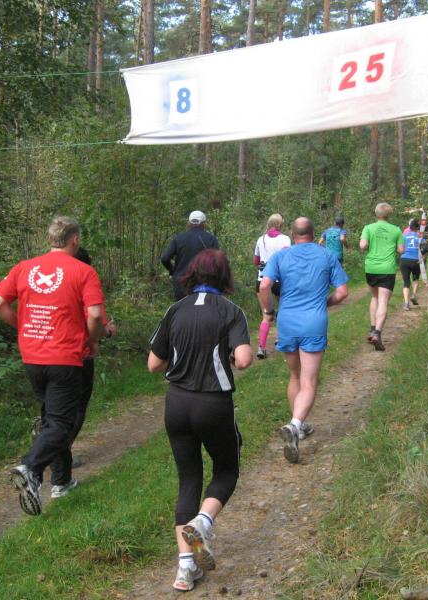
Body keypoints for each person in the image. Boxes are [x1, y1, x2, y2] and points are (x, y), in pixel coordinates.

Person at [147, 249, 253, 592]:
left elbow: (153, 364)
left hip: (176, 403)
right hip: (213, 403)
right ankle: (204, 522)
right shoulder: (231, 311)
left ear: (191, 274)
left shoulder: (174, 310)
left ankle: (185, 569)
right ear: (225, 277)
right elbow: (244, 359)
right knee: (227, 470)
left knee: (188, 479)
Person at [0, 216, 106, 516]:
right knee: (62, 423)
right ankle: (30, 468)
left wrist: (23, 326)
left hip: (32, 357)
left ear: (49, 239)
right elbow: (95, 315)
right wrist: (92, 340)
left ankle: (62, 481)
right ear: (75, 240)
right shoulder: (83, 271)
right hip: (65, 356)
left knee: (51, 418)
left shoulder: (24, 267)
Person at [258, 217, 348, 464]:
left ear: (293, 234)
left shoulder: (281, 256)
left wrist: (268, 311)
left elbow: (264, 286)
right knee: (309, 381)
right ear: (313, 233)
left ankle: (298, 425)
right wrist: (326, 303)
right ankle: (295, 425)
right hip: (313, 321)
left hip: (287, 321)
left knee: (295, 376)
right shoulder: (326, 255)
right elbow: (342, 292)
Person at [70, 247, 117, 468]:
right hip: (81, 354)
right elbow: (96, 319)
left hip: (47, 353)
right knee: (78, 405)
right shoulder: (87, 283)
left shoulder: (55, 282)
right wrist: (106, 332)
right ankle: (62, 450)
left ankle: (49, 441)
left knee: (56, 405)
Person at [360, 203, 404, 351]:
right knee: (383, 300)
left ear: (376, 213)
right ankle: (377, 333)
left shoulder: (368, 228)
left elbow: (362, 246)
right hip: (387, 269)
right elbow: (401, 250)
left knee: (375, 297)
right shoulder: (396, 230)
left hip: (371, 267)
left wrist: (371, 244)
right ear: (389, 214)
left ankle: (372, 329)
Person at [253, 214, 291, 359]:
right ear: (280, 224)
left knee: (266, 315)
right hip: (279, 280)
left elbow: (256, 261)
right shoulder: (285, 239)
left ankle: (261, 347)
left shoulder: (260, 239)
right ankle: (280, 339)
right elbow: (288, 258)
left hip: (262, 280)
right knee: (283, 310)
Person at [160, 210, 219, 300]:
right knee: (203, 308)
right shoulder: (211, 239)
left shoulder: (179, 238)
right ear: (204, 224)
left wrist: (172, 271)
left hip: (181, 285)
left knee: (183, 308)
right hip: (204, 285)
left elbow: (165, 258)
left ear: (189, 223)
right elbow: (218, 262)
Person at [400, 219, 422, 310]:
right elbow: (422, 248)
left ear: (410, 227)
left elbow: (401, 247)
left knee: (406, 282)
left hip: (404, 260)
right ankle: (414, 294)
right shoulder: (419, 236)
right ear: (417, 228)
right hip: (415, 260)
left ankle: (406, 303)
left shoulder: (404, 236)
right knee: (415, 279)